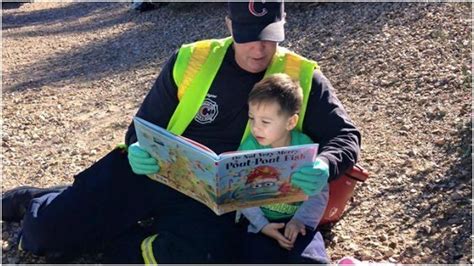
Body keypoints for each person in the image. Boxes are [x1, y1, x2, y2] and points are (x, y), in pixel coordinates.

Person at [2, 1, 361, 263]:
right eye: (248, 36)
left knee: (195, 254)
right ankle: (36, 199)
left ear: (282, 24)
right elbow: (142, 127)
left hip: (221, 203)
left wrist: (325, 166)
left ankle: (119, 226)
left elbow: (345, 137)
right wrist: (138, 148)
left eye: (268, 36)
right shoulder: (191, 59)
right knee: (46, 235)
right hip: (159, 173)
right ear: (228, 24)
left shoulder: (301, 75)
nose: (258, 48)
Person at [238, 73, 330, 263]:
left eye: (265, 122)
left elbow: (318, 191)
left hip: (299, 221)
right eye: (251, 118)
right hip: (259, 223)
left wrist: (300, 221)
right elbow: (240, 192)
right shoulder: (248, 148)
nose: (256, 128)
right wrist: (262, 225)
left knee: (313, 261)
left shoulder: (304, 148)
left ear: (290, 122)